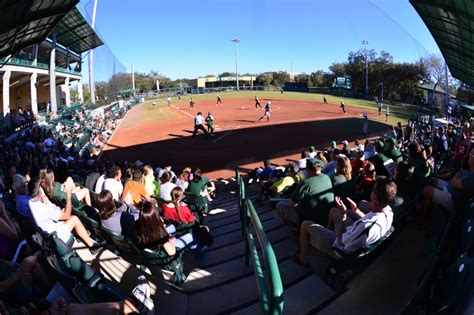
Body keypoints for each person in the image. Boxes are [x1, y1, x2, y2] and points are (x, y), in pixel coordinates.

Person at [290, 177, 396, 265]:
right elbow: (369, 221)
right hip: (353, 234)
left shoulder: (365, 227)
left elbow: (341, 241)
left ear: (375, 198)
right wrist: (356, 210)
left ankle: (303, 258)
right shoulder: (388, 211)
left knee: (305, 224)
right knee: (333, 211)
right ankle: (324, 236)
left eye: (373, 190)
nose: (372, 192)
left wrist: (344, 215)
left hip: (339, 248)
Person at [28, 177, 105, 254]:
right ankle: (93, 246)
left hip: (48, 233)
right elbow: (67, 215)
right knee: (74, 219)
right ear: (39, 191)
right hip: (55, 238)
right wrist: (68, 194)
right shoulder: (42, 208)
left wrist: (44, 198)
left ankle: (81, 234)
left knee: (65, 215)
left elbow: (50, 207)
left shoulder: (30, 202)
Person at [276, 158, 334, 228]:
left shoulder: (305, 183)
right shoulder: (327, 177)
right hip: (327, 216)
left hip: (311, 219)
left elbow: (292, 204)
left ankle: (295, 230)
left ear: (308, 170)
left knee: (280, 205)